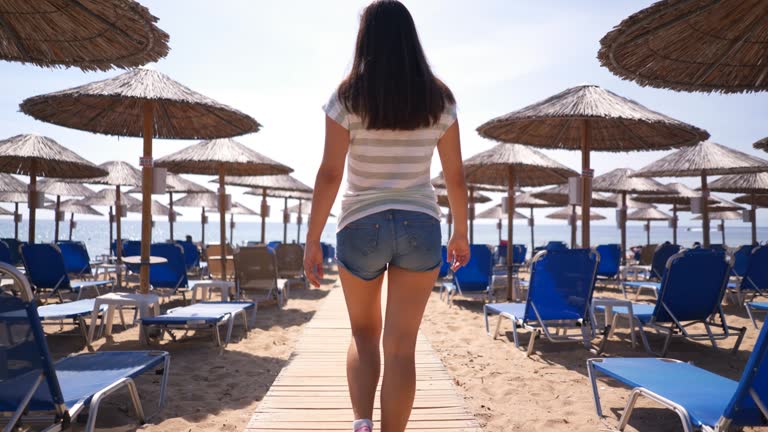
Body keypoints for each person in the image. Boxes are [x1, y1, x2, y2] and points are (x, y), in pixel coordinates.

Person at [303, 2, 470, 432]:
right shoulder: (439, 98)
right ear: (410, 38)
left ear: (366, 39)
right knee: (400, 347)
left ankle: (362, 424)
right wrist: (460, 233)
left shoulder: (347, 97)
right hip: (420, 224)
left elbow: (329, 174)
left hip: (360, 225)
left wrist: (311, 239)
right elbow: (454, 175)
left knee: (362, 333)